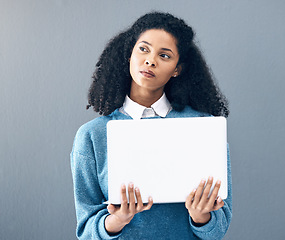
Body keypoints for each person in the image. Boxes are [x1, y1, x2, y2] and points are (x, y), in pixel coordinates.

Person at [70, 11, 232, 240]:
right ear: (129, 54)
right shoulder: (92, 135)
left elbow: (220, 227)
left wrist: (201, 216)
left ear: (178, 69)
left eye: (164, 55)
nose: (150, 60)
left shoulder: (204, 129)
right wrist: (118, 219)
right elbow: (85, 231)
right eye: (143, 49)